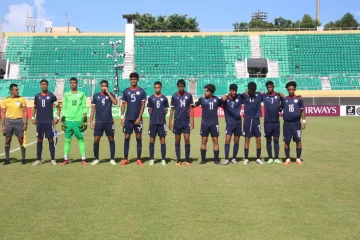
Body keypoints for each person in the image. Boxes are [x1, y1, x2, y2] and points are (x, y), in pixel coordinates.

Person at [32, 79, 61, 166]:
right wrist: (33, 117)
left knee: (51, 139)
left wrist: (57, 118)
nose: (44, 85)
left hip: (49, 122)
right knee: (39, 139)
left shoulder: (52, 96)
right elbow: (34, 107)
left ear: (47, 85)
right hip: (39, 122)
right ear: (40, 85)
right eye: (42, 84)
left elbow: (58, 107)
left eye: (45, 84)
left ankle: (52, 159)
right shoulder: (37, 96)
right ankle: (38, 159)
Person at [120, 72, 146, 166]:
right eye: (132, 79)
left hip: (138, 119)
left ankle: (139, 158)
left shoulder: (142, 91)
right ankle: (125, 158)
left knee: (138, 138)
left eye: (135, 79)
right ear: (130, 80)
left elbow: (143, 105)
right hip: (128, 119)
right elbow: (123, 104)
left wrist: (139, 118)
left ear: (137, 80)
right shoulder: (126, 91)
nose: (133, 80)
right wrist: (122, 117)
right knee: (127, 138)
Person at [60, 77, 88, 165]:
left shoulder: (82, 94)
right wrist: (63, 119)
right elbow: (64, 107)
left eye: (74, 83)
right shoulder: (66, 94)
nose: (73, 84)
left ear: (77, 83)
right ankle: (65, 159)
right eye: (71, 83)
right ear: (69, 84)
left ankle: (83, 159)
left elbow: (84, 107)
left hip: (78, 120)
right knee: (67, 140)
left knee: (80, 139)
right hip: (68, 120)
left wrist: (85, 119)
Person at [90, 80, 118, 166]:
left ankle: (112, 159)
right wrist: (91, 121)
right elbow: (93, 109)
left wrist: (108, 93)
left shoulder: (110, 95)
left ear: (107, 87)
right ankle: (96, 159)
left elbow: (115, 102)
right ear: (100, 86)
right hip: (99, 122)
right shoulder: (96, 96)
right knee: (96, 139)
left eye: (105, 86)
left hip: (109, 121)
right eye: (102, 86)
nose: (104, 87)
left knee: (111, 139)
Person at [168, 79, 195, 166]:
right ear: (177, 86)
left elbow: (191, 108)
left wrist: (192, 121)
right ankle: (178, 159)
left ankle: (187, 159)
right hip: (177, 121)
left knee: (187, 139)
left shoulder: (189, 96)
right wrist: (170, 121)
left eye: (182, 86)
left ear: (184, 86)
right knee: (177, 140)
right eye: (179, 86)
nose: (181, 88)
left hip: (186, 121)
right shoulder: (174, 96)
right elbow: (172, 109)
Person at [195, 84, 222, 164]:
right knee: (204, 140)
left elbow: (224, 104)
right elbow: (194, 105)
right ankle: (203, 159)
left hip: (214, 123)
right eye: (205, 91)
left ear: (211, 92)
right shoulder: (202, 99)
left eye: (206, 91)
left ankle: (216, 159)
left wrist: (225, 96)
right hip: (205, 123)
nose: (205, 92)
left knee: (215, 140)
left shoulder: (216, 99)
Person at [1, 84, 28, 165]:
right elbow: (3, 113)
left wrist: (25, 123)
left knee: (21, 139)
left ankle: (23, 159)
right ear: (11, 91)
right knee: (8, 139)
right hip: (8, 122)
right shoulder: (5, 100)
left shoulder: (21, 99)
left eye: (18, 89)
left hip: (19, 121)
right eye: (16, 90)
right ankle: (7, 159)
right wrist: (3, 125)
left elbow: (25, 112)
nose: (18, 91)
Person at [282, 81, 306, 165]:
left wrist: (303, 121)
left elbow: (302, 110)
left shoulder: (299, 99)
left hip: (296, 123)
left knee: (298, 141)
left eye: (292, 89)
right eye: (289, 89)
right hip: (287, 123)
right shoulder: (284, 99)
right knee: (286, 141)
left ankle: (298, 159)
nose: (291, 91)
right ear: (287, 90)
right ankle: (287, 159)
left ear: (295, 89)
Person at [241, 82, 264, 165]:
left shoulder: (259, 95)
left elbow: (270, 94)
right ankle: (246, 158)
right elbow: (233, 96)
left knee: (258, 139)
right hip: (247, 119)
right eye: (251, 90)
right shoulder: (244, 96)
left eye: (253, 90)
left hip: (256, 119)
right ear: (248, 89)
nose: (252, 91)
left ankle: (258, 158)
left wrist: (279, 93)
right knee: (247, 139)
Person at [147, 81, 169, 166]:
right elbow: (149, 110)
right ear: (154, 88)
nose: (157, 89)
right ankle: (152, 159)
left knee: (162, 140)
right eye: (156, 87)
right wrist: (153, 116)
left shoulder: (164, 98)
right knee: (152, 140)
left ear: (161, 88)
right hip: (153, 122)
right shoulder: (151, 98)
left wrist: (161, 116)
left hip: (161, 122)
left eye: (158, 87)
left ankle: (163, 159)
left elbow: (166, 110)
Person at [221, 84, 243, 165]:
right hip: (229, 123)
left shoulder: (240, 97)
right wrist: (225, 95)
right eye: (232, 90)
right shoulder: (225, 99)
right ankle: (227, 158)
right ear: (230, 90)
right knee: (227, 140)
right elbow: (219, 101)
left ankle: (234, 158)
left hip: (238, 123)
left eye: (235, 90)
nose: (234, 92)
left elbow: (248, 93)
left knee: (236, 140)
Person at [262, 81, 282, 164]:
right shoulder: (264, 96)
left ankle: (276, 157)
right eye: (268, 87)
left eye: (270, 87)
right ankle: (270, 157)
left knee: (276, 140)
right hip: (267, 122)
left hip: (276, 122)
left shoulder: (278, 96)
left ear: (273, 87)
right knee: (268, 140)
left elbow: (287, 99)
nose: (269, 88)